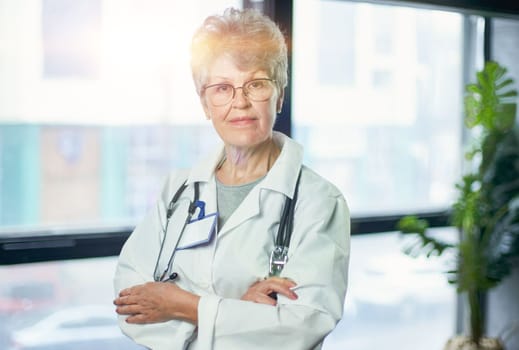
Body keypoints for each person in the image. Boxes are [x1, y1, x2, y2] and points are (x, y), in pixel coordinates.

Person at [113, 7, 350, 350]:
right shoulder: (177, 190)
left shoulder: (319, 201)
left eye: (256, 84)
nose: (240, 102)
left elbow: (302, 326)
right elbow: (129, 303)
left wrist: (182, 304)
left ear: (279, 96)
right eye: (222, 88)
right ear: (206, 104)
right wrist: (239, 311)